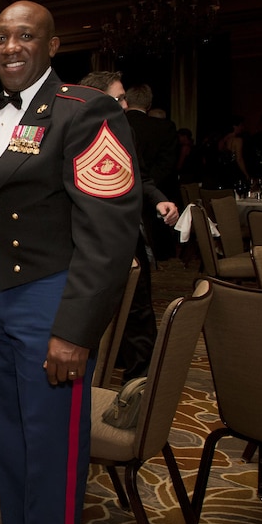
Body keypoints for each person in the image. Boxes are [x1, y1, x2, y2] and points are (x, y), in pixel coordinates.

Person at [0, 2, 140, 524]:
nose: (11, 45)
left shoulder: (84, 110)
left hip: (52, 302)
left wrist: (76, 329)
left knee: (53, 451)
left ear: (52, 43)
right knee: (9, 441)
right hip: (1, 297)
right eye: (0, 35)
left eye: (25, 35)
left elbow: (109, 235)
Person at [80, 74, 178, 382]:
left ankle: (139, 380)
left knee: (139, 309)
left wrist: (159, 200)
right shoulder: (73, 135)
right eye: (118, 99)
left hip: (128, 233)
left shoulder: (127, 132)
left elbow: (142, 177)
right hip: (87, 237)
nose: (126, 105)